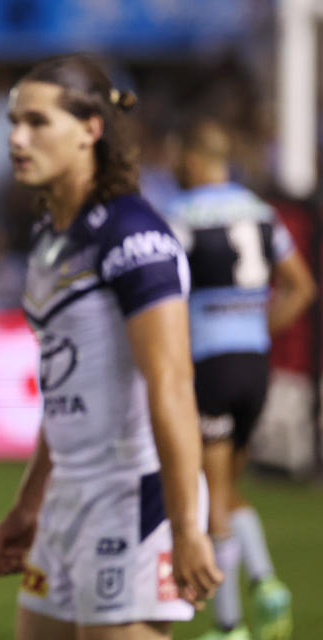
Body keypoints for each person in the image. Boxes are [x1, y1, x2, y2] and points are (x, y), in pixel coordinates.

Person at [0, 54, 222, 640]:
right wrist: (29, 503)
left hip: (134, 497)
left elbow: (172, 383)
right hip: (69, 494)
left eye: (38, 122)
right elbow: (70, 385)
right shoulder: (47, 239)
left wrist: (187, 527)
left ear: (90, 130)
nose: (17, 138)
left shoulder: (134, 236)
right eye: (14, 121)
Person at [166, 120, 316, 640]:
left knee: (211, 494)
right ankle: (266, 583)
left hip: (211, 362)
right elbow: (300, 288)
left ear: (194, 158)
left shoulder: (182, 214)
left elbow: (161, 290)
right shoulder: (263, 212)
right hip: (255, 363)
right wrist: (257, 328)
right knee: (228, 485)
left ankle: (229, 624)